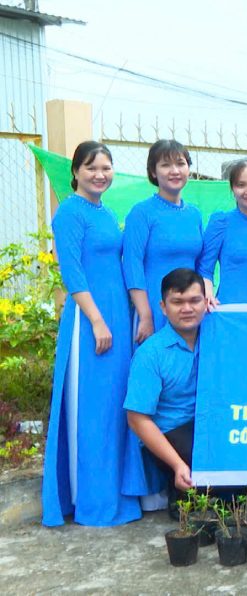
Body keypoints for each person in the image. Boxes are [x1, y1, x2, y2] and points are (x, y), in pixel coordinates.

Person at [42, 141, 142, 527]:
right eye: (91, 168)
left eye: (106, 167)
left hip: (116, 319)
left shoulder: (105, 212)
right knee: (91, 411)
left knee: (115, 409)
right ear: (76, 173)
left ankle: (113, 495)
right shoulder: (69, 212)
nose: (100, 174)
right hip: (90, 324)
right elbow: (72, 272)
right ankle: (91, 502)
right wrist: (96, 320)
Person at [124, 268, 208, 493]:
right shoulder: (151, 354)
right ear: (163, 307)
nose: (187, 308)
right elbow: (137, 419)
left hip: (208, 427)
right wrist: (177, 464)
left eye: (194, 300)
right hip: (171, 434)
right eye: (177, 302)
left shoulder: (217, 339)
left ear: (206, 302)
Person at [123, 139, 203, 341]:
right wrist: (145, 314)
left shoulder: (194, 214)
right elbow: (132, 265)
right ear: (153, 172)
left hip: (189, 310)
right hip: (155, 309)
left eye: (180, 163)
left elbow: (201, 265)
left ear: (188, 169)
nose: (174, 171)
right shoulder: (141, 213)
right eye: (165, 165)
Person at [197, 160, 247, 304]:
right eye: (241, 185)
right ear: (232, 189)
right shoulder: (221, 223)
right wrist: (208, 295)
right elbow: (205, 270)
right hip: (228, 312)